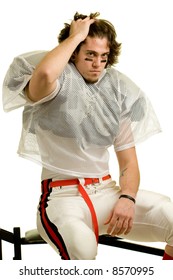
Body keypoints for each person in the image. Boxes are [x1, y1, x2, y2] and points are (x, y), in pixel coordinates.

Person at [2, 12, 173, 260]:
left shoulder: (115, 92)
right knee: (83, 251)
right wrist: (77, 35)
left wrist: (127, 198)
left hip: (105, 191)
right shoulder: (55, 82)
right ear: (72, 53)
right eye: (90, 55)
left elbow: (129, 163)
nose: (97, 63)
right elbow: (46, 75)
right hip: (62, 198)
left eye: (103, 57)